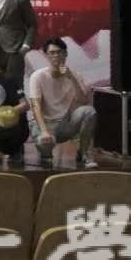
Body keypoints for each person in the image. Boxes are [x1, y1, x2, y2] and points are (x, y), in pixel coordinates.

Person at [27, 38, 98, 168]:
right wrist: (44, 131)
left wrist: (71, 78)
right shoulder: (38, 76)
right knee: (45, 145)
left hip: (64, 125)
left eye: (59, 52)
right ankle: (46, 156)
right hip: (44, 125)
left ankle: (83, 153)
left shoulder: (74, 75)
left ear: (65, 54)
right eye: (52, 53)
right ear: (46, 55)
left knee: (89, 112)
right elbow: (35, 105)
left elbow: (83, 100)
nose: (56, 56)